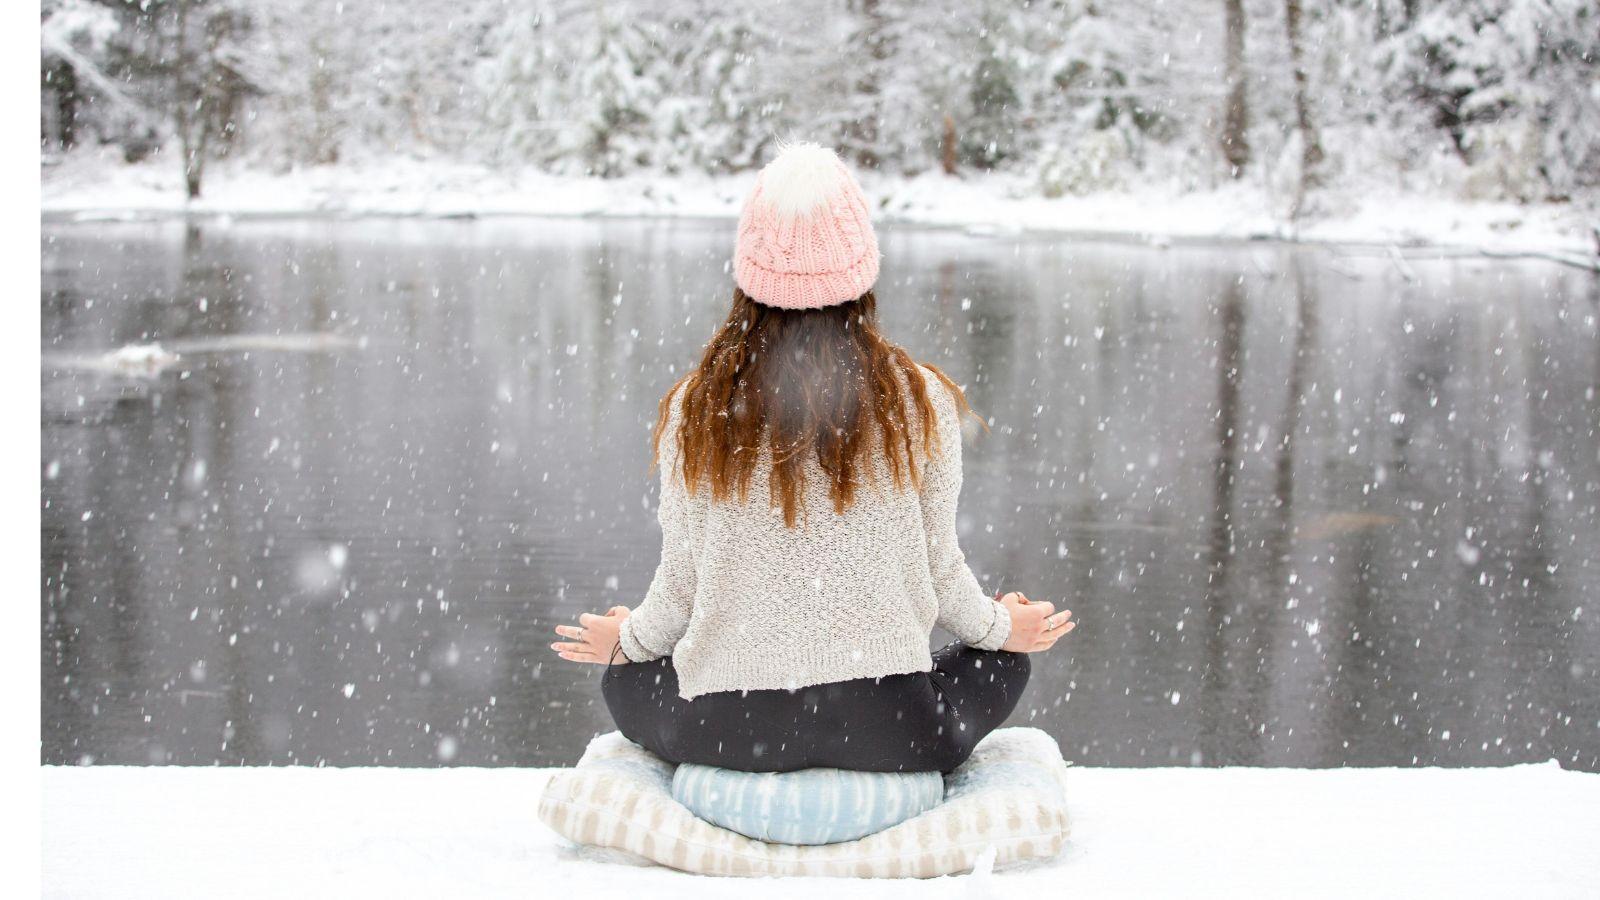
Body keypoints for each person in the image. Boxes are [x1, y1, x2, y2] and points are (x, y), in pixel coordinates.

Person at [549, 140, 1075, 774]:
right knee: (1000, 663)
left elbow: (679, 590)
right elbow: (941, 571)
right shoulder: (921, 399)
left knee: (625, 681)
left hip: (726, 733)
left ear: (749, 274)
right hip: (895, 734)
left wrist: (625, 643)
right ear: (862, 271)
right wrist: (1002, 630)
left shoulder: (695, 408)